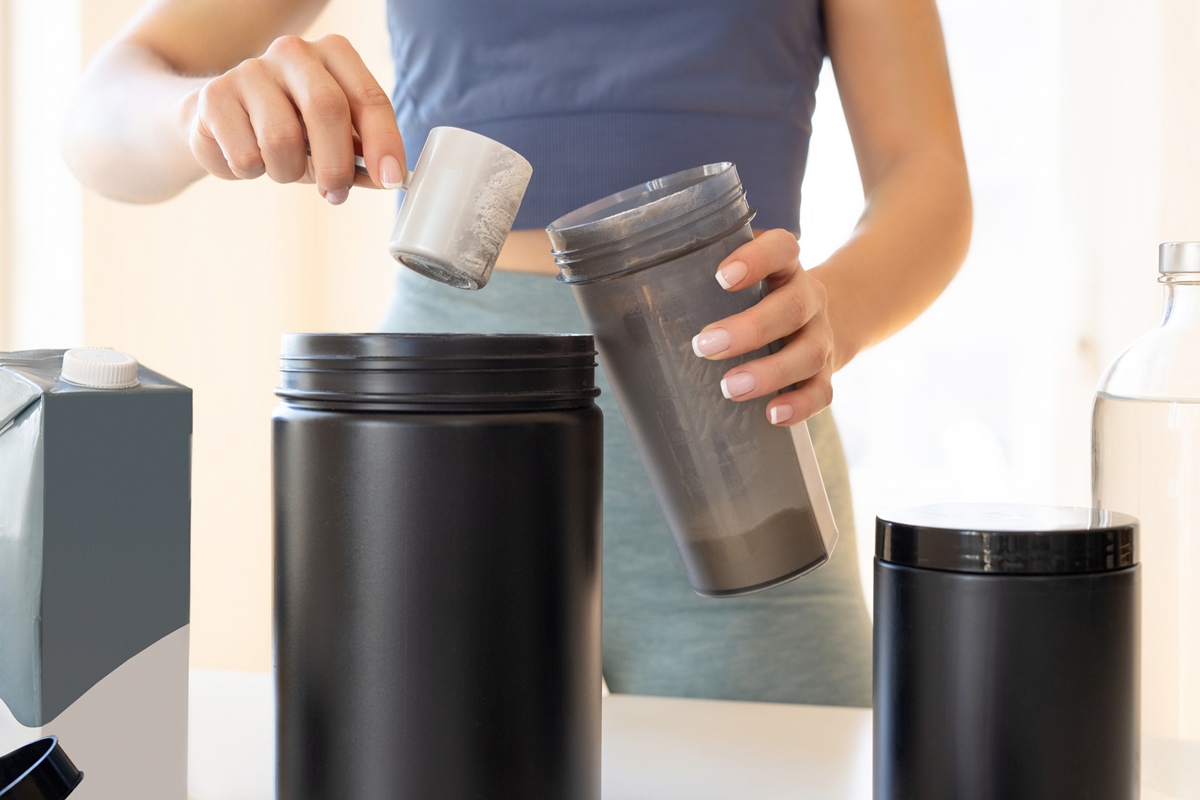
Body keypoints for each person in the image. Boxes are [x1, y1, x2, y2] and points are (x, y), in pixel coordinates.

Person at [63, 0, 971, 707]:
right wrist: (196, 113)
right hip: (445, 406)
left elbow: (925, 174)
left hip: (734, 411)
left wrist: (834, 313)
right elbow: (101, 116)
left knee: (792, 769)